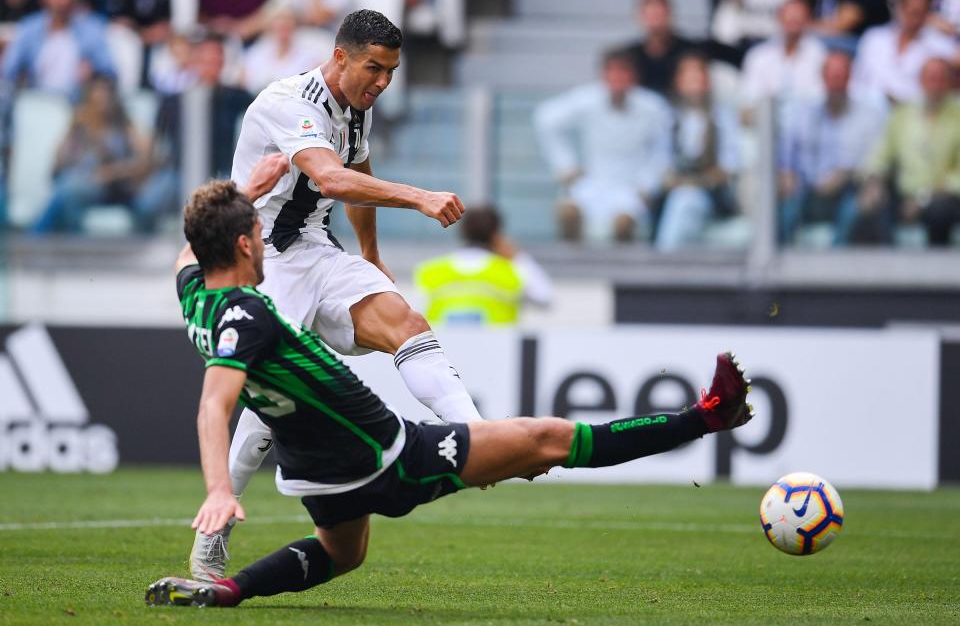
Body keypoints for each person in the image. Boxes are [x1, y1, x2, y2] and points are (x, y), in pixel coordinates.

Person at [145, 169, 754, 608]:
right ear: (248, 244)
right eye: (258, 227)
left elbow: (186, 255)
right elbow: (214, 403)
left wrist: (246, 190)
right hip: (380, 454)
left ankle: (229, 590)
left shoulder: (196, 295)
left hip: (317, 472)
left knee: (343, 553)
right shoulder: (246, 315)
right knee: (547, 438)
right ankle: (708, 415)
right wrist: (220, 490)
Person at [187, 10, 482, 582]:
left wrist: (369, 255)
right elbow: (331, 178)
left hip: (320, 252)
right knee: (266, 411)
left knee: (406, 323)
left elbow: (358, 166)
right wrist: (420, 198)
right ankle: (213, 532)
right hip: (265, 262)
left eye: (392, 72)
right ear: (340, 57)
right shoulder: (287, 102)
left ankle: (476, 435)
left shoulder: (354, 108)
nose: (382, 82)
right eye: (374, 67)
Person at [534, 48, 671, 243]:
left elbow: (662, 151)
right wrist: (565, 166)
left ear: (634, 76)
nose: (617, 78)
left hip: (630, 189)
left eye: (623, 72)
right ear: (603, 75)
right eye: (612, 72)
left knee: (623, 225)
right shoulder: (588, 99)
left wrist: (648, 185)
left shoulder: (653, 107)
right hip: (592, 183)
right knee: (567, 214)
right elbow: (545, 118)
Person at [134, 33, 253, 232]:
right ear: (195, 62)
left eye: (216, 60)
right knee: (147, 205)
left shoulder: (236, 97)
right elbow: (157, 139)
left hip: (223, 171)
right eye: (206, 60)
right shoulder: (174, 100)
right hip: (179, 171)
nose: (211, 65)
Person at [778, 51, 886, 245]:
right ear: (823, 78)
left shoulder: (870, 116)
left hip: (850, 189)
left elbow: (876, 162)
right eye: (832, 76)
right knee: (785, 210)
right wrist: (787, 175)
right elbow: (786, 157)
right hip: (807, 191)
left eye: (841, 76)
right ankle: (781, 271)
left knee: (855, 208)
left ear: (849, 77)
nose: (836, 82)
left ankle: (835, 268)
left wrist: (845, 174)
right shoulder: (803, 114)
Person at [855, 58, 960, 246]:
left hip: (944, 199)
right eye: (930, 79)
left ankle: (936, 272)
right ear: (921, 81)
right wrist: (873, 180)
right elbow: (881, 155)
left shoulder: (957, 115)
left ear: (950, 83)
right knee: (871, 204)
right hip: (905, 195)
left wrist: (923, 200)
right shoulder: (903, 114)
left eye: (940, 79)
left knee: (939, 211)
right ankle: (886, 270)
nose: (935, 85)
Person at [31, 75, 148, 234]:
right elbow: (58, 159)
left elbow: (144, 160)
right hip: (77, 181)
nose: (101, 101)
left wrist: (112, 173)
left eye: (105, 95)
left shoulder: (124, 125)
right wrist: (71, 129)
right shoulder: (81, 124)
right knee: (67, 197)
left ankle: (36, 237)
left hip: (107, 186)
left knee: (65, 192)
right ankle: (71, 242)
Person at [654, 52, 740, 251]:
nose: (694, 84)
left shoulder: (722, 117)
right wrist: (675, 181)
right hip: (673, 191)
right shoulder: (668, 117)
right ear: (678, 82)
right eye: (688, 78)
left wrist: (700, 182)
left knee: (686, 202)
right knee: (679, 200)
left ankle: (663, 262)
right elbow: (660, 161)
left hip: (710, 193)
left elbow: (731, 163)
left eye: (698, 78)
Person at [414, 205, 553, 326]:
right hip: (499, 352)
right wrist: (517, 257)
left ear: (462, 231)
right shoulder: (512, 270)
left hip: (444, 353)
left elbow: (413, 318)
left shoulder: (430, 271)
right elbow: (545, 299)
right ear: (496, 235)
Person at [0, 0, 115, 98]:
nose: (62, 0)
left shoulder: (93, 30)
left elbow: (109, 73)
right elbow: (9, 71)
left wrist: (93, 75)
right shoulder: (29, 28)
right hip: (35, 101)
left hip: (78, 104)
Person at [852, 0, 956, 103]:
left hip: (912, 113)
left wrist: (952, 29)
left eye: (919, 12)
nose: (914, 18)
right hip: (870, 107)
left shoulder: (938, 44)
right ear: (899, 8)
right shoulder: (874, 38)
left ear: (927, 13)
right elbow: (857, 79)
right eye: (910, 11)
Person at [739, 0, 827, 107]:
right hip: (767, 118)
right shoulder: (758, 56)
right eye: (790, 15)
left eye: (798, 16)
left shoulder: (820, 54)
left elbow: (820, 96)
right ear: (779, 18)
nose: (794, 18)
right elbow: (750, 97)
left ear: (808, 19)